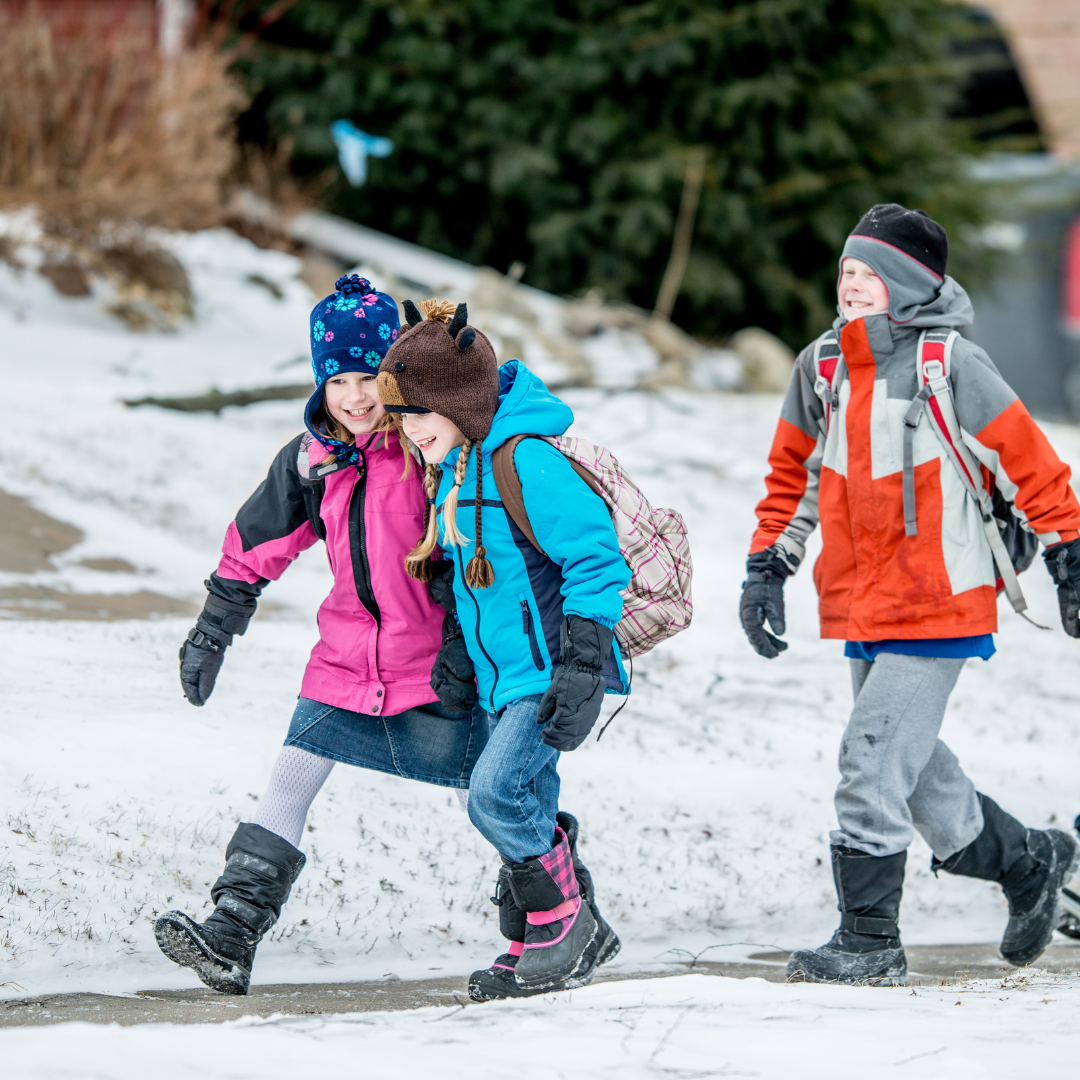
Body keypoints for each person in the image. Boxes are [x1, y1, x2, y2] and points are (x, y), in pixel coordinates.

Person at [740, 204, 1080, 986]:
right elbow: (792, 476)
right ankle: (1029, 861)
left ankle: (869, 941)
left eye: (868, 273)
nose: (851, 284)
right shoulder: (821, 367)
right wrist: (768, 566)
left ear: (905, 284)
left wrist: (1069, 555)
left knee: (869, 760)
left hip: (941, 595)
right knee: (917, 774)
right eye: (846, 272)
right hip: (863, 600)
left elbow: (1032, 464)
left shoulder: (951, 364)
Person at [154, 277, 486, 995]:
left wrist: (464, 645)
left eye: (369, 375)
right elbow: (254, 545)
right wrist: (213, 631)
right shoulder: (314, 463)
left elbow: (469, 549)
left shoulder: (428, 447)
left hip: (438, 663)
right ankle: (230, 935)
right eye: (337, 379)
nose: (356, 396)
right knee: (290, 779)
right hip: (346, 659)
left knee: (488, 797)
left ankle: (562, 906)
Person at [376, 299, 627, 1000]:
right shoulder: (456, 469)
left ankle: (566, 920)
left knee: (492, 796)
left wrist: (583, 667)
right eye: (401, 415)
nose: (408, 429)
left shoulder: (526, 462)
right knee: (528, 802)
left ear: (457, 402)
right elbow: (466, 575)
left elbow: (597, 562)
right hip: (502, 675)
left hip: (547, 672)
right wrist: (458, 652)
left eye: (418, 412)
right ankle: (538, 939)